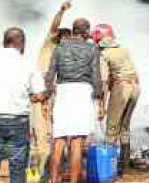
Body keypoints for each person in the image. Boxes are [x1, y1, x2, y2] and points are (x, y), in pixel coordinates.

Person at [0, 27, 49, 183]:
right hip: (19, 119)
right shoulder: (28, 64)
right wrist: (30, 96)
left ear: (4, 42)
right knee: (18, 165)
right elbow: (40, 95)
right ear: (22, 43)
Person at [46, 18, 104, 183]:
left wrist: (48, 94)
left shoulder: (59, 48)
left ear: (73, 30)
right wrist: (99, 96)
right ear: (86, 31)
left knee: (59, 140)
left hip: (63, 91)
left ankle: (53, 180)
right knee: (77, 142)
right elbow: (96, 75)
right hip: (82, 92)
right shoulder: (92, 49)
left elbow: (50, 74)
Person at [29, 0, 71, 182]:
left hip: (55, 98)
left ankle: (53, 174)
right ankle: (35, 176)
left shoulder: (66, 55)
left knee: (58, 137)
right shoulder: (50, 44)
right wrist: (61, 10)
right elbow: (54, 26)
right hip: (39, 97)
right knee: (39, 138)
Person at [93, 23, 141, 176]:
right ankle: (125, 164)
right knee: (124, 126)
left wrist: (102, 105)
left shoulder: (104, 54)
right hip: (135, 87)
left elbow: (104, 81)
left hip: (121, 88)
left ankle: (110, 167)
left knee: (112, 128)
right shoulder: (123, 49)